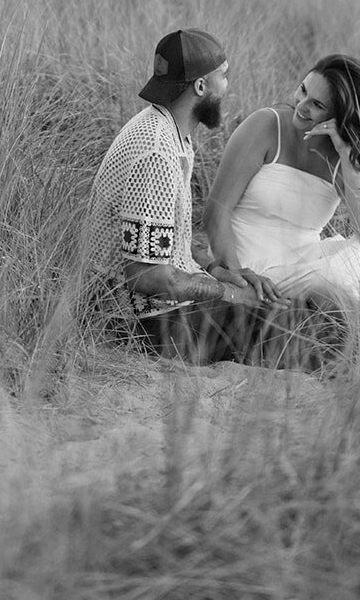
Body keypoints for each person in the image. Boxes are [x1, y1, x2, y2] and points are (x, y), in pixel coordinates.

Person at [83, 28, 338, 368]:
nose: (228, 86)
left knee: (294, 313)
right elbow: (145, 275)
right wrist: (228, 293)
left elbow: (165, 245)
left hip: (158, 309)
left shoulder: (169, 132)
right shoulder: (157, 153)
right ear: (201, 87)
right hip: (143, 322)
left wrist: (217, 270)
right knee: (296, 332)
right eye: (225, 76)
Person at [204, 53, 360, 332]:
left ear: (338, 116)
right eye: (303, 90)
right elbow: (216, 211)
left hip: (304, 260)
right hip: (253, 265)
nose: (301, 106)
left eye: (317, 105)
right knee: (332, 279)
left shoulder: (338, 152)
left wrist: (346, 153)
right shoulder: (265, 125)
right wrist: (237, 276)